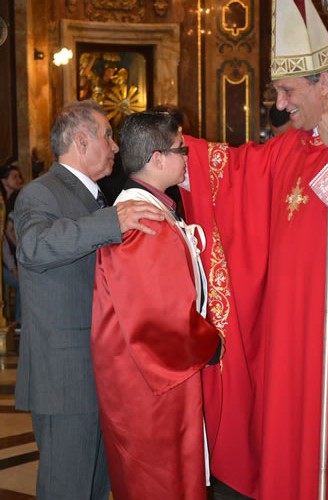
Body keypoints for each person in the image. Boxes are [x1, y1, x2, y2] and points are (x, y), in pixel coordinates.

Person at [179, 0, 328, 499]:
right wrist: (177, 159)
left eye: (289, 91)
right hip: (291, 327)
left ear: (324, 83)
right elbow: (242, 172)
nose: (282, 104)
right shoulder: (296, 144)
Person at [14, 99, 165, 500]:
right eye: (107, 135)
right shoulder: (40, 194)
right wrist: (110, 222)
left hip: (100, 372)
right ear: (81, 142)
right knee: (69, 490)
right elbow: (33, 246)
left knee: (95, 490)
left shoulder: (94, 198)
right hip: (66, 377)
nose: (115, 147)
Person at [90, 111, 222, 500]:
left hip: (151, 379)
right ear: (157, 159)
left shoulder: (150, 207)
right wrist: (210, 342)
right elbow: (157, 319)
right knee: (160, 484)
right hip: (151, 385)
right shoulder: (143, 221)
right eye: (182, 150)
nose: (187, 158)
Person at [0, 163, 24, 329]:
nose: (19, 180)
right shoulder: (4, 202)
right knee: (21, 282)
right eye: (14, 177)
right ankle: (19, 320)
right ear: (4, 180)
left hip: (9, 258)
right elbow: (6, 235)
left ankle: (19, 320)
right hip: (6, 259)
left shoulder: (14, 200)